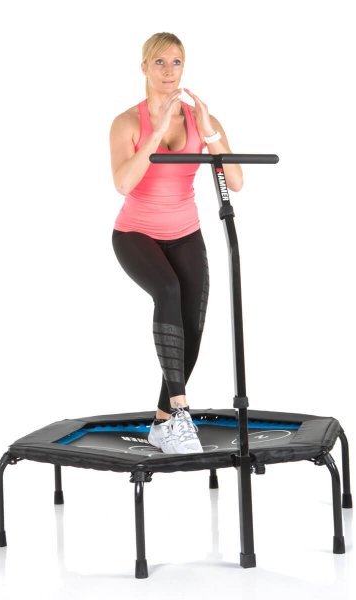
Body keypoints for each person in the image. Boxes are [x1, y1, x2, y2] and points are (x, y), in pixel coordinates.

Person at [110, 32, 243, 454]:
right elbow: (123, 183)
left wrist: (208, 131)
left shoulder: (200, 119)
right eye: (160, 62)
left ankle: (162, 423)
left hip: (186, 234)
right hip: (135, 234)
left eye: (176, 62)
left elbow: (236, 180)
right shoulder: (127, 123)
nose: (169, 71)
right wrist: (156, 132)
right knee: (167, 290)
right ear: (144, 67)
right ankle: (181, 412)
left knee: (193, 326)